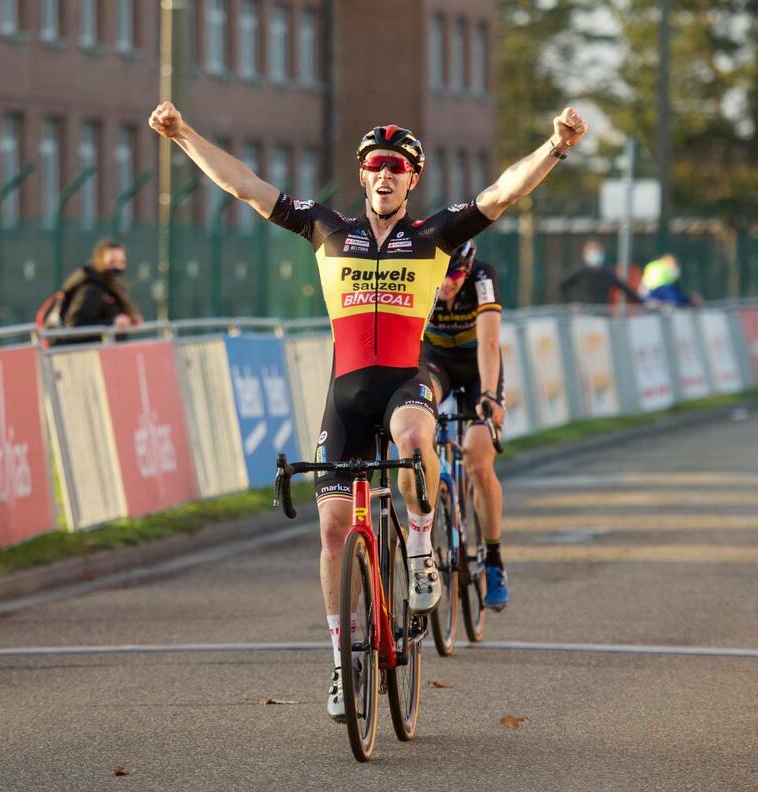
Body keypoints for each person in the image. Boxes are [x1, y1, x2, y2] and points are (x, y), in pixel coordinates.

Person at [148, 100, 588, 722]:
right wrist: (183, 133)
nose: (386, 176)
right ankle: (338, 663)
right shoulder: (325, 228)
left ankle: (417, 547)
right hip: (347, 395)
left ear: (413, 180)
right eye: (376, 166)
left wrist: (555, 147)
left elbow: (500, 194)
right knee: (331, 531)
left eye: (398, 168)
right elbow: (245, 187)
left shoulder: (434, 235)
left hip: (405, 382)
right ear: (363, 176)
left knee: (414, 439)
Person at [422, 240, 511, 610]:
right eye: (442, 275)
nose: (447, 284)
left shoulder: (482, 277)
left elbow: (490, 342)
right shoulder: (420, 274)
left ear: (469, 267)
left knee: (477, 461)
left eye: (456, 274)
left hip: (477, 367)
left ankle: (493, 559)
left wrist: (489, 395)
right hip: (434, 361)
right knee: (415, 421)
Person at [59, 239, 144, 331]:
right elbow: (74, 326)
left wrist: (130, 319)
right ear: (100, 261)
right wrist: (112, 322)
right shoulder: (91, 289)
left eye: (122, 262)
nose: (118, 267)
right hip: (88, 345)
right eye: (112, 262)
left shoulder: (111, 287)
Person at [559, 239, 642, 306]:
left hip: (602, 314)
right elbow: (563, 285)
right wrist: (572, 302)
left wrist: (644, 302)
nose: (595, 255)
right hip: (583, 315)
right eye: (592, 252)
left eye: (597, 251)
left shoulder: (607, 273)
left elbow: (625, 289)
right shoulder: (580, 272)